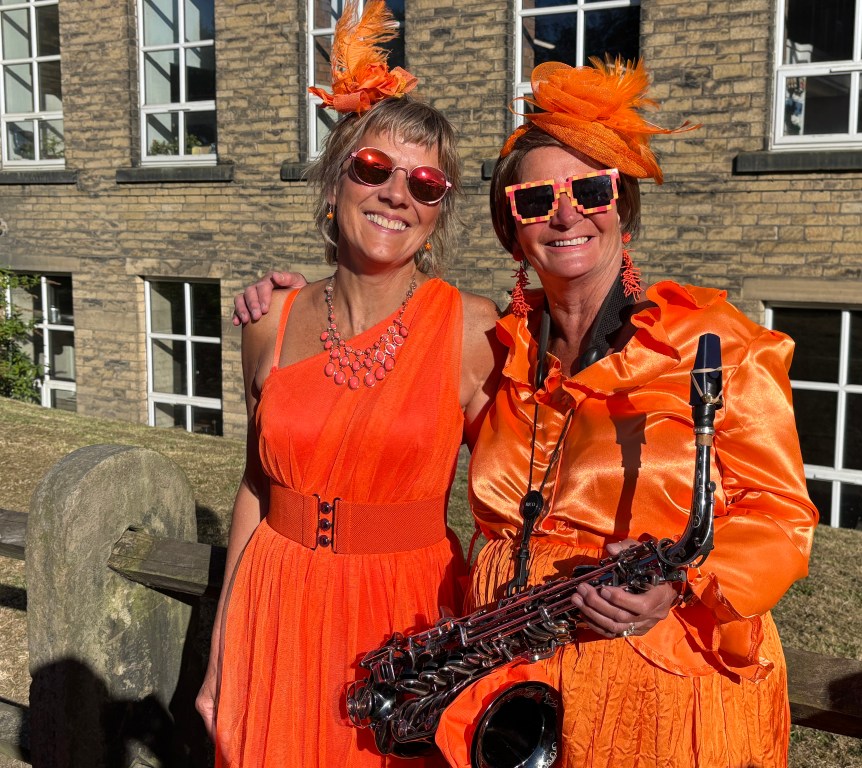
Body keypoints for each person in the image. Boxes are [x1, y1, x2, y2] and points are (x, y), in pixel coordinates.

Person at [237, 58, 817, 768]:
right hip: (508, 686)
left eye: (592, 189)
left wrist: (679, 583)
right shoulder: (503, 349)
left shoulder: (715, 347)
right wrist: (288, 306)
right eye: (537, 198)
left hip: (660, 687)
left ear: (623, 205)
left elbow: (783, 518)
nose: (566, 213)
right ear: (513, 228)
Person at [196, 3, 499, 766]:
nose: (397, 193)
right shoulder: (270, 317)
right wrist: (220, 651)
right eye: (373, 169)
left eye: (425, 183)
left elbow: (518, 500)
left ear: (439, 212)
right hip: (274, 606)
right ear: (335, 183)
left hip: (403, 627)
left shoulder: (472, 330)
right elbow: (254, 487)